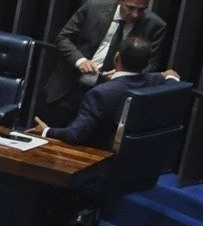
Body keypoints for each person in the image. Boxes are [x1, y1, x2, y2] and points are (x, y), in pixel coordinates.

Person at [40, 0, 171, 122]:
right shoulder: (94, 7)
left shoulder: (155, 26)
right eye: (131, 7)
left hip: (107, 100)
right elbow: (63, 38)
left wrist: (124, 74)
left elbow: (151, 65)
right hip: (68, 90)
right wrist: (80, 60)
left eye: (141, 10)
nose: (135, 14)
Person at [34, 35, 167, 148]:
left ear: (117, 57)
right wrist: (169, 75)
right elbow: (171, 76)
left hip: (97, 154)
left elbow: (75, 135)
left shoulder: (100, 94)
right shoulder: (155, 82)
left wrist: (46, 130)